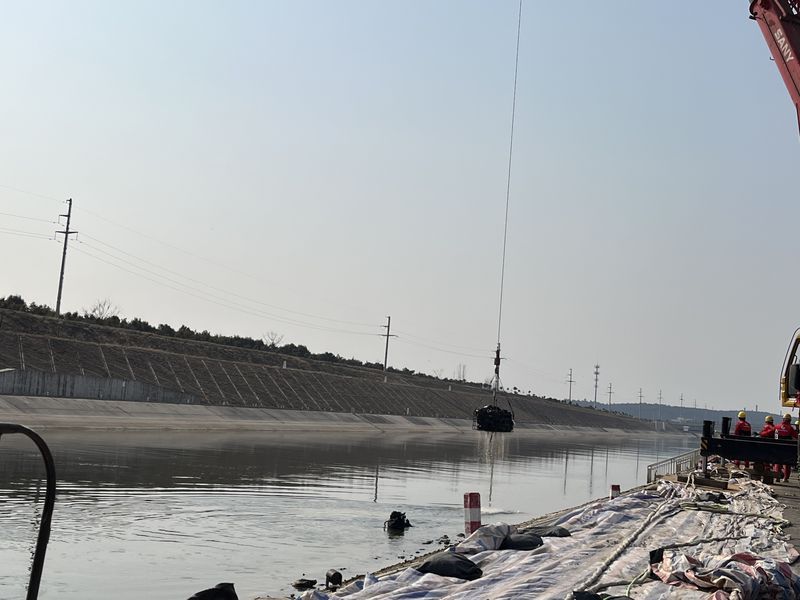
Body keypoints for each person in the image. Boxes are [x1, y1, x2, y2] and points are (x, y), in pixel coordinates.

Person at [774, 413, 798, 481]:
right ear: (790, 420)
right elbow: (796, 436)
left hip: (777, 448)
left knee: (777, 462)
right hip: (786, 449)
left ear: (783, 419)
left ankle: (777, 477)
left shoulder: (777, 426)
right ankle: (785, 478)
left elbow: (773, 436)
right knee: (787, 463)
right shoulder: (790, 428)